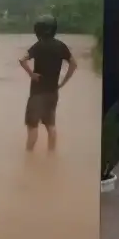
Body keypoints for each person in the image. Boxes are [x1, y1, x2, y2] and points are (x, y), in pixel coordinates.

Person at [18, 15, 77, 152]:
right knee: (50, 125)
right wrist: (63, 82)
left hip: (37, 93)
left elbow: (22, 60)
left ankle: (29, 157)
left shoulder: (38, 46)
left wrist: (31, 74)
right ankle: (51, 156)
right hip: (53, 93)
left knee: (33, 127)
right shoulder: (61, 46)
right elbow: (73, 64)